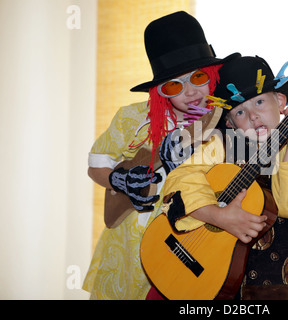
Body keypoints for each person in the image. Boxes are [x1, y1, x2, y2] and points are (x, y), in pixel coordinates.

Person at [82, 11, 239, 300]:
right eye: (175, 85)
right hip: (127, 254)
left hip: (189, 254)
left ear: (213, 75)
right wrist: (119, 180)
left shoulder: (230, 120)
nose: (191, 92)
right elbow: (96, 163)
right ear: (160, 90)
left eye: (199, 77)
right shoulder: (132, 118)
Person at [160, 56, 288, 299]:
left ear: (280, 100)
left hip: (267, 290)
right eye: (240, 111)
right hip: (208, 277)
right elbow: (178, 180)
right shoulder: (221, 147)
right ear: (229, 122)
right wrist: (217, 215)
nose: (253, 116)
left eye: (259, 102)